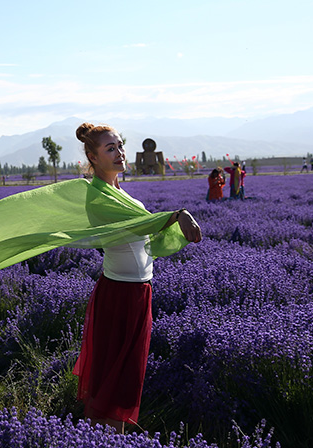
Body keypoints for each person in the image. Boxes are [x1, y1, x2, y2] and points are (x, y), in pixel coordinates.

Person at [73, 123, 202, 433]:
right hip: (120, 295)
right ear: (93, 157)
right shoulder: (98, 196)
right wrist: (177, 215)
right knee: (115, 376)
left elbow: (143, 232)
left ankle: (106, 437)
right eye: (110, 149)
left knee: (125, 375)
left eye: (120, 146)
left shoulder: (118, 192)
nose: (120, 153)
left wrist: (174, 218)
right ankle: (103, 438)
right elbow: (141, 226)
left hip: (136, 291)